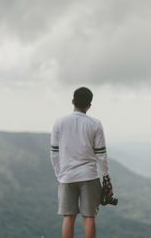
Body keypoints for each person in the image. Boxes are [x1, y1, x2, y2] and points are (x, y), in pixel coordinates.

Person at [50, 87, 114, 238]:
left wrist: (60, 174)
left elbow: (54, 153)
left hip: (66, 176)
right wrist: (106, 177)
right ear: (89, 105)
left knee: (68, 217)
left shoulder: (59, 122)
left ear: (72, 101)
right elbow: (101, 154)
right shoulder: (95, 124)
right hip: (89, 176)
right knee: (89, 217)